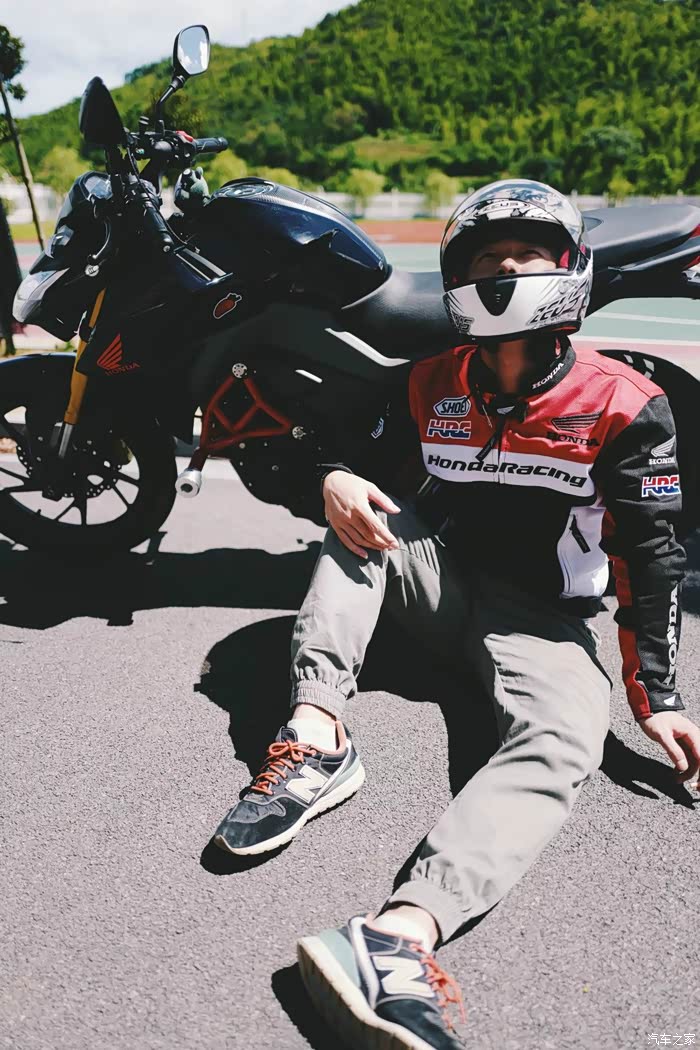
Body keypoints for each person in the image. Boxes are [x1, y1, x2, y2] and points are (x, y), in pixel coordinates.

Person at [213, 179, 700, 1049]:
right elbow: (349, 454)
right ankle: (317, 738)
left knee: (566, 741)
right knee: (360, 520)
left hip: (543, 622)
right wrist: (332, 479)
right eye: (486, 259)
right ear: (456, 281)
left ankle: (396, 937)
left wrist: (656, 696)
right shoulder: (431, 380)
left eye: (527, 255)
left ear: (568, 269)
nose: (505, 270)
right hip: (440, 586)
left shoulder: (626, 401)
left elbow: (651, 557)